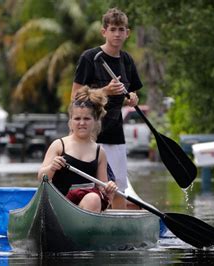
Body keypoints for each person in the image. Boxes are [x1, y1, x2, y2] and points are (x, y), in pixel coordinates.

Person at [71, 8, 142, 209]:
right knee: (91, 185)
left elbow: (133, 94)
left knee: (119, 186)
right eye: (113, 29)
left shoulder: (127, 60)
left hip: (115, 133)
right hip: (89, 134)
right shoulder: (90, 58)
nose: (117, 34)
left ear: (127, 33)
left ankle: (117, 225)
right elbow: (75, 97)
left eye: (121, 29)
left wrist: (133, 99)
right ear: (104, 32)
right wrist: (105, 91)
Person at [38, 86, 118, 212]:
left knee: (93, 199)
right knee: (93, 199)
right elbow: (41, 177)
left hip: (88, 204)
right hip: (60, 204)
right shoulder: (59, 145)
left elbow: (102, 187)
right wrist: (51, 167)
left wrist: (109, 188)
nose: (81, 123)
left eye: (86, 119)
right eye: (77, 119)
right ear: (70, 122)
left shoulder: (100, 152)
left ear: (95, 121)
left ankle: (86, 228)